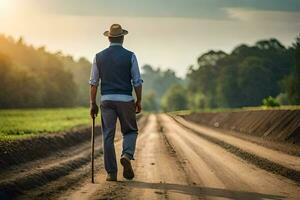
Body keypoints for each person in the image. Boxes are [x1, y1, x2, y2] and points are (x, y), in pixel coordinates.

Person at [89, 24, 143, 181]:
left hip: (106, 100)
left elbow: (93, 83)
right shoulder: (130, 56)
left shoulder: (98, 57)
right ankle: (126, 154)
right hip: (126, 100)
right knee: (131, 131)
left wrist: (92, 103)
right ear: (123, 38)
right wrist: (138, 100)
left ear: (109, 38)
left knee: (108, 136)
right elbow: (137, 82)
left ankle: (111, 173)